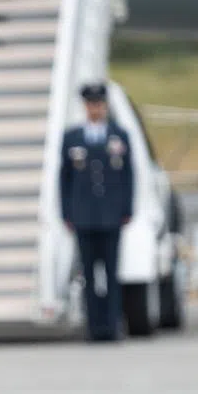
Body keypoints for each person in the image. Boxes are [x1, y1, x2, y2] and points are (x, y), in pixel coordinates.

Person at [59, 81, 134, 342]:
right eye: (91, 104)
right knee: (89, 275)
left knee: (111, 273)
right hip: (84, 216)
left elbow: (128, 176)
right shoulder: (73, 138)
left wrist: (127, 209)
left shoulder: (119, 136)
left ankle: (112, 325)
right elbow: (64, 179)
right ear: (85, 107)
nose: (95, 109)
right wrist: (66, 213)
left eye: (99, 104)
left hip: (111, 216)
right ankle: (93, 326)